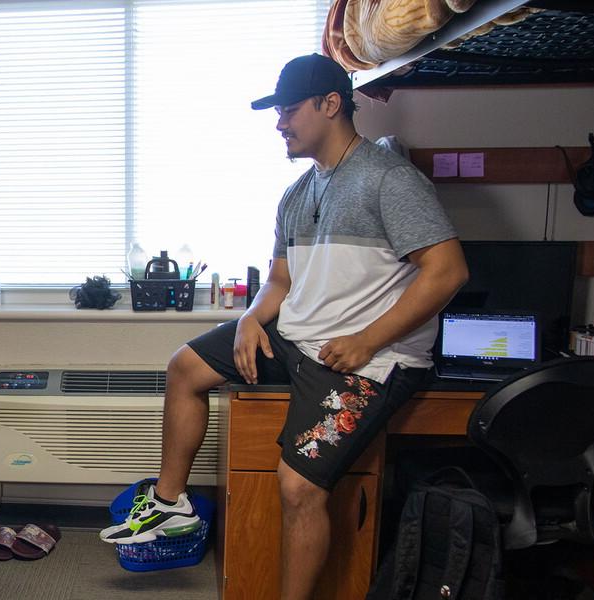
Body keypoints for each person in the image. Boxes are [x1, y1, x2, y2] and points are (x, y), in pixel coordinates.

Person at [99, 54, 469, 600]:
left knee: (297, 487)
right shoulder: (299, 193)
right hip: (298, 339)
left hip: (366, 360)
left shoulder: (389, 180)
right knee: (185, 367)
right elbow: (279, 279)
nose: (279, 123)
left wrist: (368, 339)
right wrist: (249, 319)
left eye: (288, 111)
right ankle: (171, 505)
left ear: (330, 104)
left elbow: (448, 271)